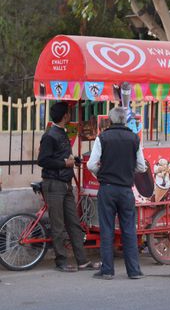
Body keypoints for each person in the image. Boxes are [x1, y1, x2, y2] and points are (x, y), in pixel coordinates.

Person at [37, 101, 100, 272]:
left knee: (73, 223)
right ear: (65, 115)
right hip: (54, 184)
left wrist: (74, 161)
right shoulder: (50, 135)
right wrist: (64, 163)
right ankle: (61, 262)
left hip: (65, 184)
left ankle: (82, 260)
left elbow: (64, 156)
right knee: (58, 225)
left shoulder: (62, 133)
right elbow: (42, 160)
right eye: (69, 113)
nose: (70, 115)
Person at [87, 107, 146, 280]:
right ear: (125, 121)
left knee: (107, 229)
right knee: (129, 230)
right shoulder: (134, 138)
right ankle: (134, 271)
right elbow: (141, 167)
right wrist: (127, 171)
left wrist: (102, 172)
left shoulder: (103, 137)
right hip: (126, 190)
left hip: (107, 188)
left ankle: (107, 271)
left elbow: (91, 165)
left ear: (110, 120)